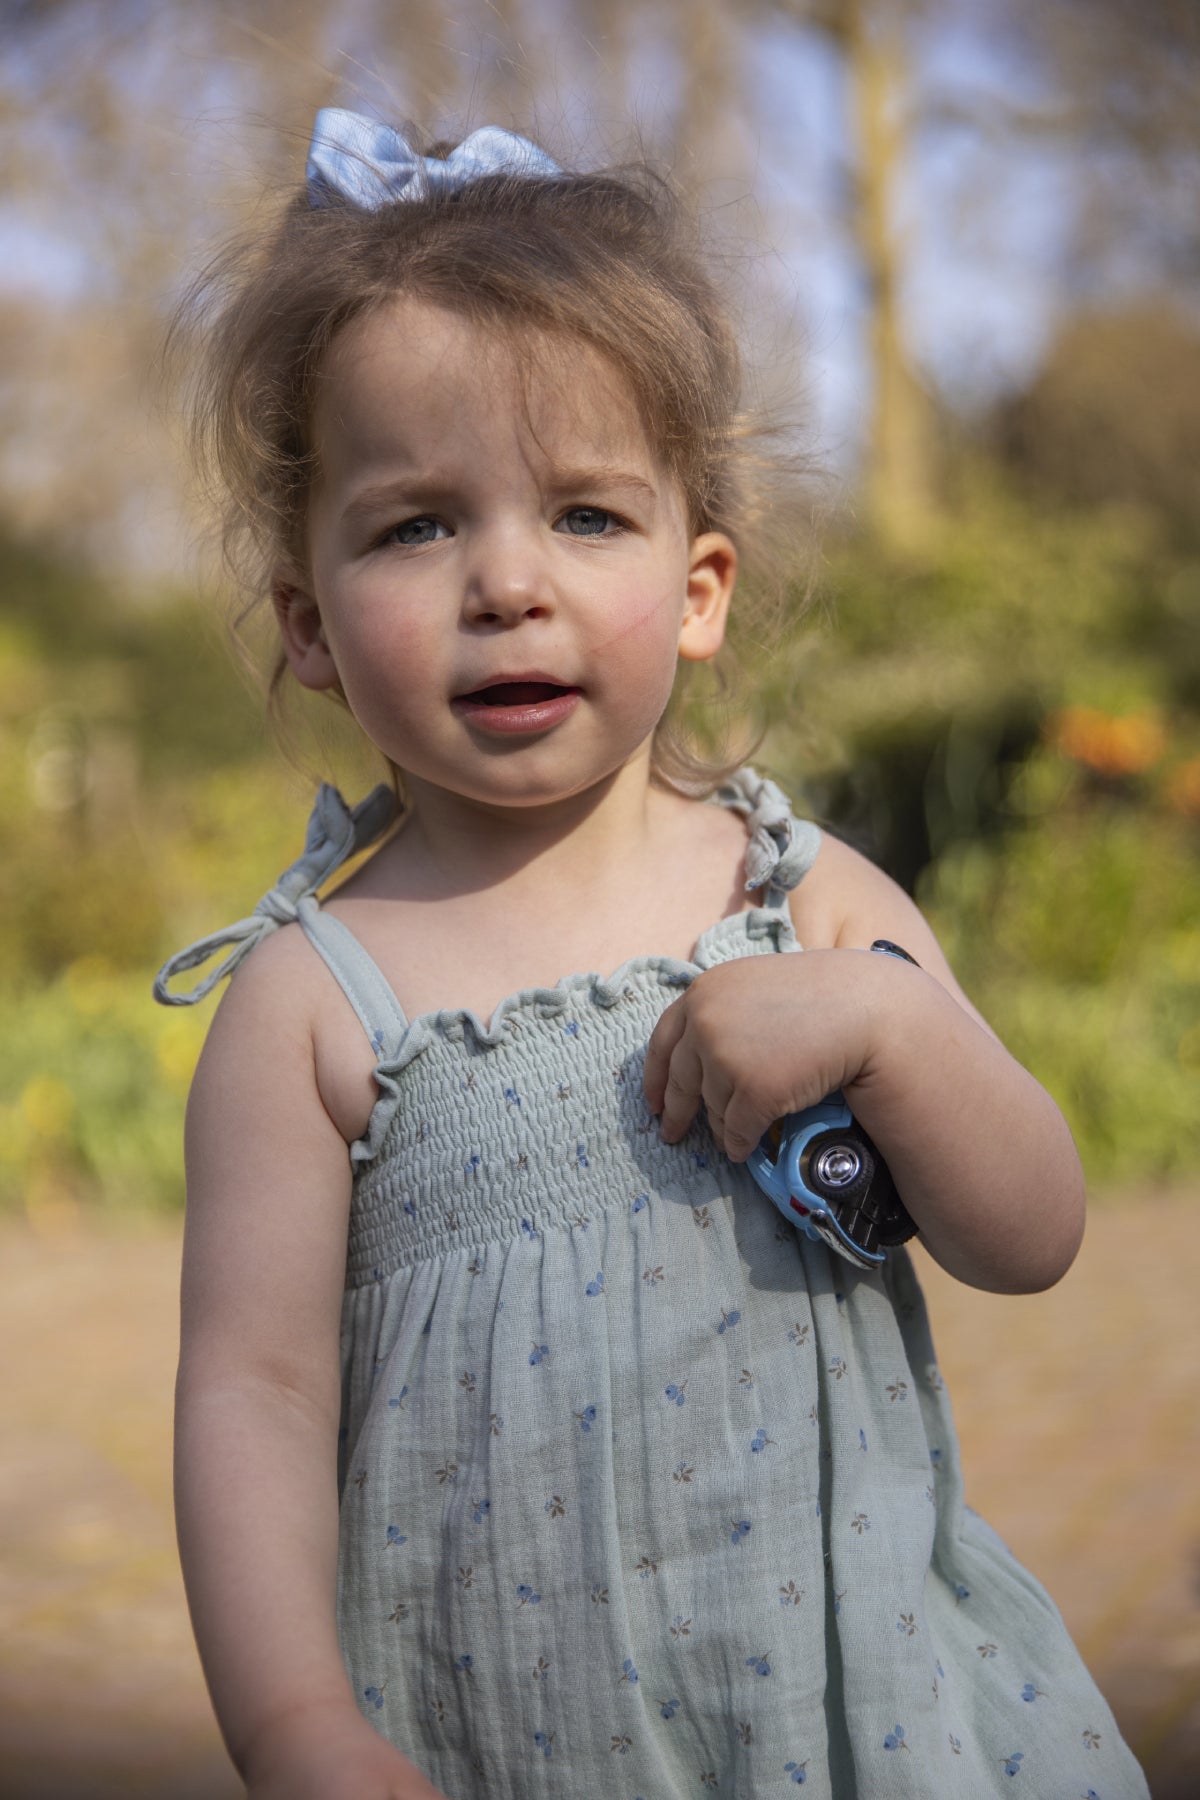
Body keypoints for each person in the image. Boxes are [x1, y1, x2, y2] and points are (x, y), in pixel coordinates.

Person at [155, 108, 1148, 1800]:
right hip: (496, 1737)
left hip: (860, 1719)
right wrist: (297, 1726)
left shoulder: (807, 896)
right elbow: (249, 1390)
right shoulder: (314, 1003)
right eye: (414, 526)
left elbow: (1034, 1231)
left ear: (698, 588)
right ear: (308, 619)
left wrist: (890, 1029)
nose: (508, 584)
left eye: (587, 517)